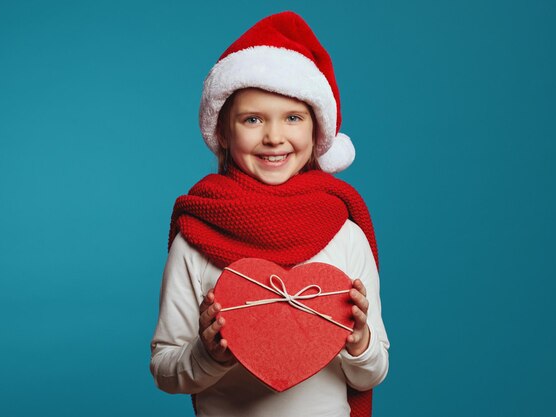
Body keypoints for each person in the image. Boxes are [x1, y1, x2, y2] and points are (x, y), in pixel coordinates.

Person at [150, 11, 389, 417]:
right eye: (253, 119)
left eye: (293, 118)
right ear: (223, 132)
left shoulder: (344, 233)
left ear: (316, 132)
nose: (274, 136)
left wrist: (359, 341)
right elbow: (164, 369)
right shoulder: (197, 235)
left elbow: (372, 373)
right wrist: (209, 355)